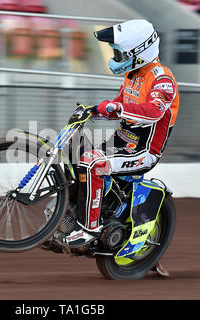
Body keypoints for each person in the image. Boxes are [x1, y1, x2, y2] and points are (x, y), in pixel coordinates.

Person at [62, 19, 179, 247]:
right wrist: (92, 111)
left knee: (93, 164)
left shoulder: (162, 79)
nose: (116, 58)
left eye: (120, 54)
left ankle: (90, 229)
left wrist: (119, 108)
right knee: (75, 149)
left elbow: (154, 111)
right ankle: (69, 216)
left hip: (144, 151)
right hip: (120, 143)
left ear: (139, 52)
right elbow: (118, 105)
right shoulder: (133, 75)